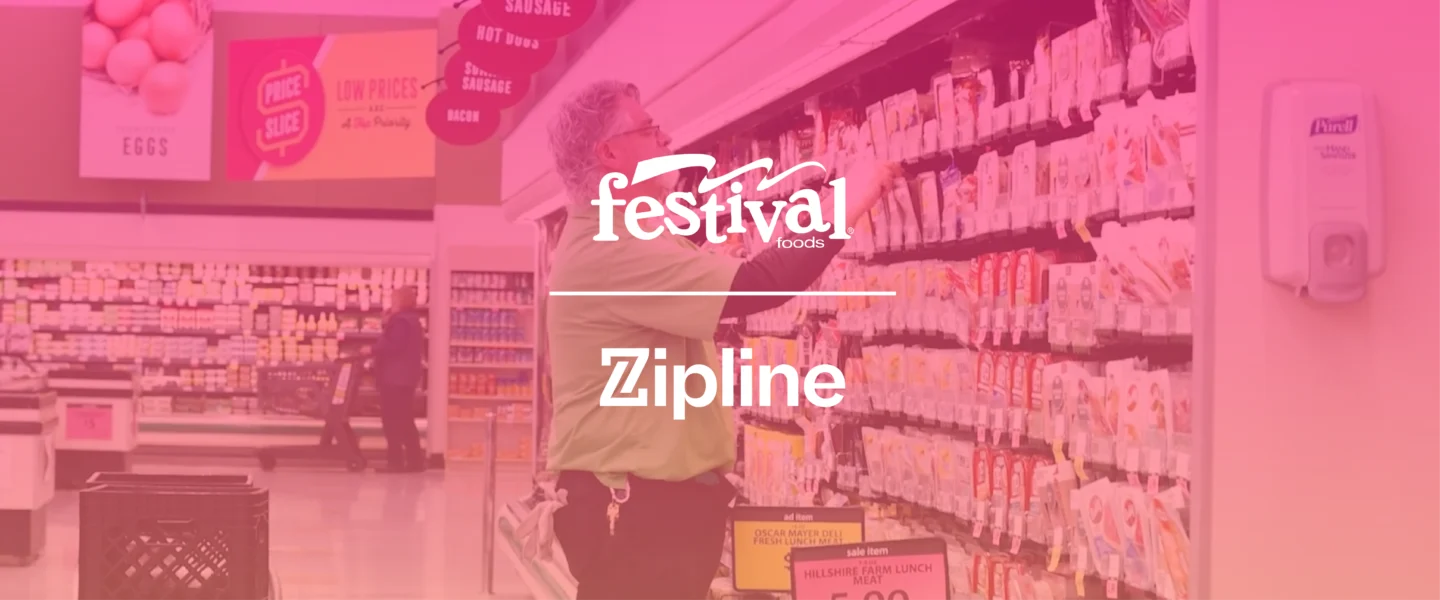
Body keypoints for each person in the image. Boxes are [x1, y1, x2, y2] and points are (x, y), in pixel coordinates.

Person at [543, 80, 900, 600]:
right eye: (648, 129)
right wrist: (850, 199)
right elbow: (761, 283)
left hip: (653, 507)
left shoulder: (630, 235)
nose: (665, 137)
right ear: (610, 154)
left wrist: (707, 256)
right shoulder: (610, 244)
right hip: (635, 510)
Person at [370, 285, 427, 473]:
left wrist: (371, 350)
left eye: (393, 300)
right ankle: (414, 460)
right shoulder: (411, 320)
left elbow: (392, 345)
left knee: (392, 420)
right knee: (404, 418)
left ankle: (396, 461)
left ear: (400, 301)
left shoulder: (401, 321)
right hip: (405, 377)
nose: (391, 303)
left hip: (395, 378)